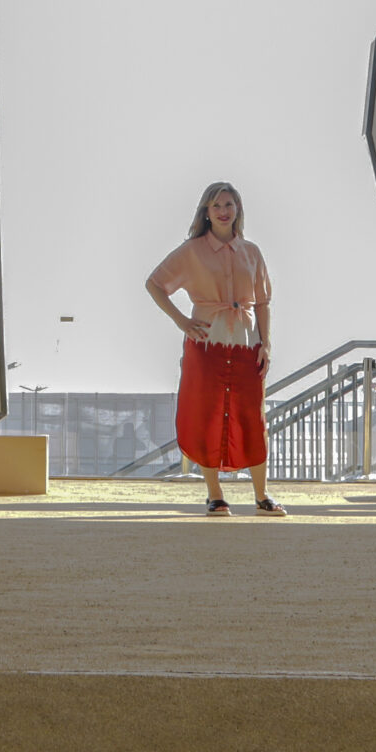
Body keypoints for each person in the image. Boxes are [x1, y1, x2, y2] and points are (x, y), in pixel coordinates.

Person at [145, 181, 282, 516]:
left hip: (247, 344)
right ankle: (215, 494)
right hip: (206, 346)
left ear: (238, 210)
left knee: (252, 417)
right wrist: (181, 321)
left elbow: (263, 302)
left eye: (229, 205)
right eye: (216, 205)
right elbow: (155, 284)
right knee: (205, 415)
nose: (223, 211)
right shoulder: (191, 251)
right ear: (206, 212)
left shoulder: (252, 252)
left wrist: (266, 344)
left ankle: (262, 495)